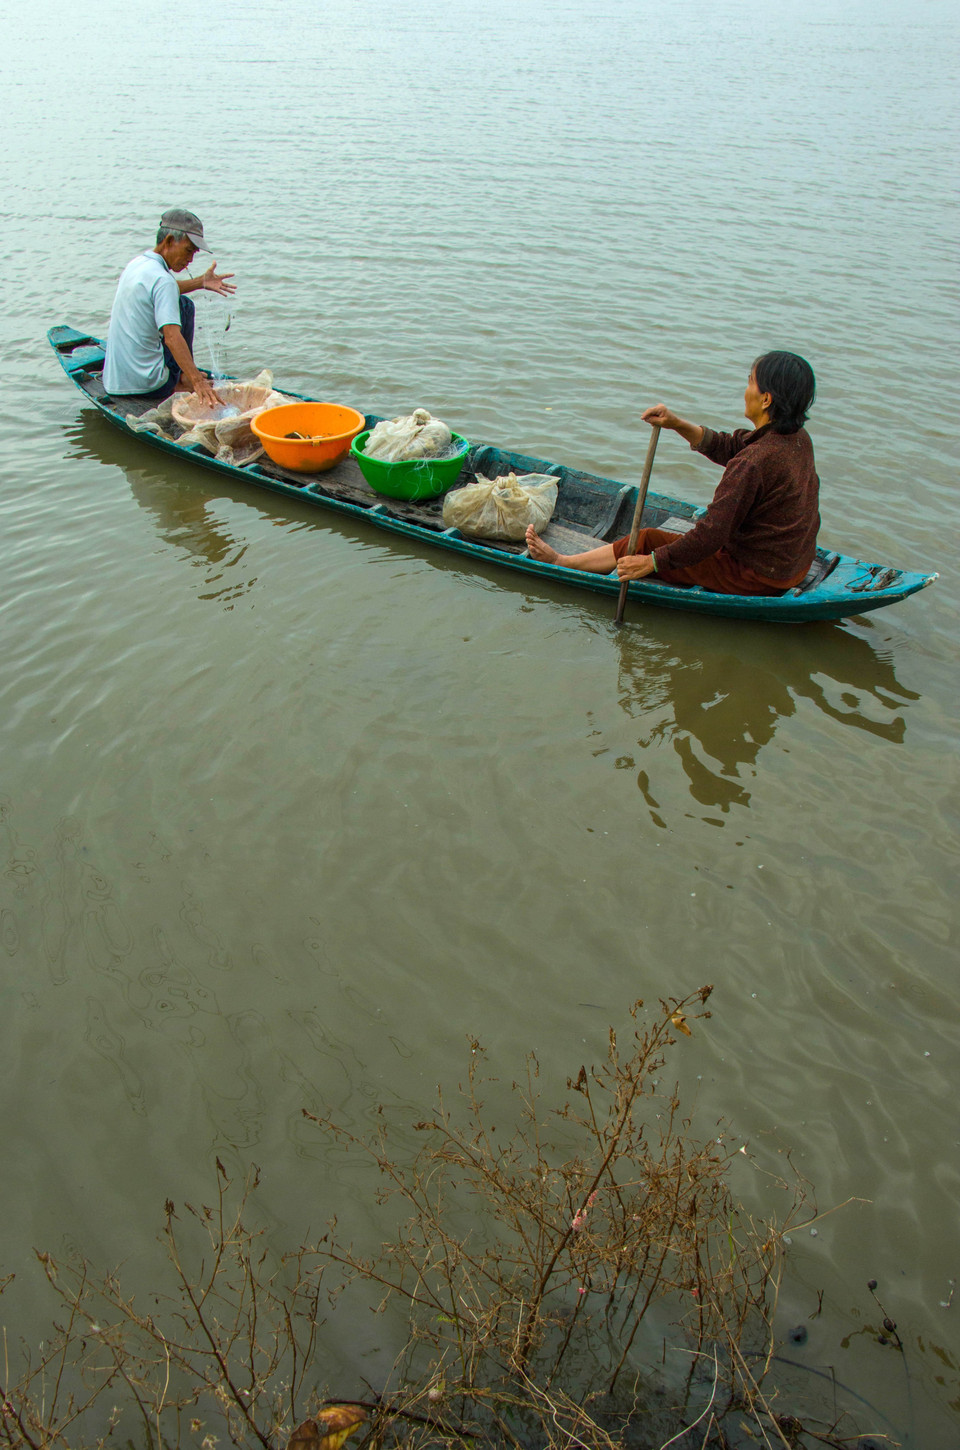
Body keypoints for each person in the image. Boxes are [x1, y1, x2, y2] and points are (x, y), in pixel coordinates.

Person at [525, 352, 820, 596]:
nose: (745, 390)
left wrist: (652, 562)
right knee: (670, 541)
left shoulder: (754, 461)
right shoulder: (794, 438)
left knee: (646, 540)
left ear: (766, 400)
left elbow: (710, 535)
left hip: (758, 574)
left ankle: (562, 561)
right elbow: (731, 446)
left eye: (750, 382)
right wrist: (676, 423)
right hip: (794, 563)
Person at [103, 208, 237, 408]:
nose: (190, 259)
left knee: (179, 301)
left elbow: (165, 290)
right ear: (168, 242)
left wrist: (201, 282)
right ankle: (182, 379)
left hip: (115, 382)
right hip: (150, 386)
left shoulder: (138, 264)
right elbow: (172, 337)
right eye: (188, 250)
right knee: (185, 306)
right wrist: (197, 381)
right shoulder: (163, 280)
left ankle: (183, 375)